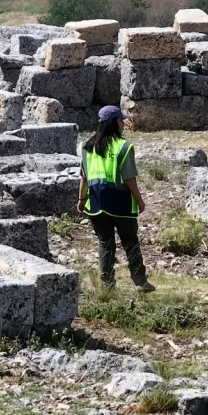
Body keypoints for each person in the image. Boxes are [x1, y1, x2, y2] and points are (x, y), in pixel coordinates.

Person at [79, 106, 155, 293]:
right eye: (121, 120)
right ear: (114, 123)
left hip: (96, 202)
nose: (123, 123)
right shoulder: (124, 147)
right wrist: (140, 200)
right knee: (130, 241)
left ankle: (107, 284)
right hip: (120, 202)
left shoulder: (87, 146)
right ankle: (140, 282)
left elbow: (84, 176)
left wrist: (81, 199)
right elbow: (129, 179)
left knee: (105, 243)